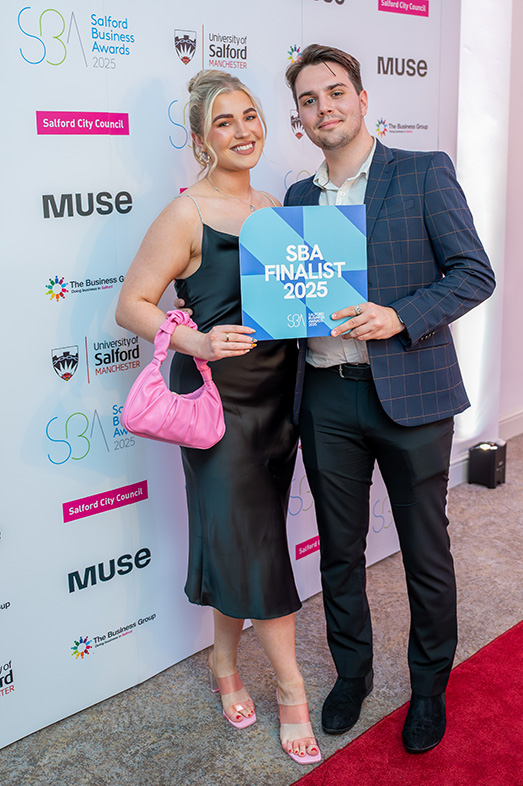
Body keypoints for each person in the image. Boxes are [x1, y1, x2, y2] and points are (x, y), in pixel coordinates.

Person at [283, 45, 495, 754]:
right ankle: (352, 675)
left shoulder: (424, 171)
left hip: (411, 393)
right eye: (309, 100)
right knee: (339, 552)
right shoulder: (297, 198)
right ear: (300, 117)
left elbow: (473, 273)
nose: (325, 108)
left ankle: (428, 688)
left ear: (362, 98)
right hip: (325, 395)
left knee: (424, 550)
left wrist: (401, 315)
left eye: (335, 92)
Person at [115, 70, 320, 765]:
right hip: (219, 409)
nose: (242, 131)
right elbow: (132, 304)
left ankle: (223, 662)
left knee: (242, 543)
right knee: (257, 545)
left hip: (281, 402)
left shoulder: (275, 208)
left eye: (249, 115)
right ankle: (291, 688)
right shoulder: (185, 213)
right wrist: (194, 339)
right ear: (202, 140)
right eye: (223, 122)